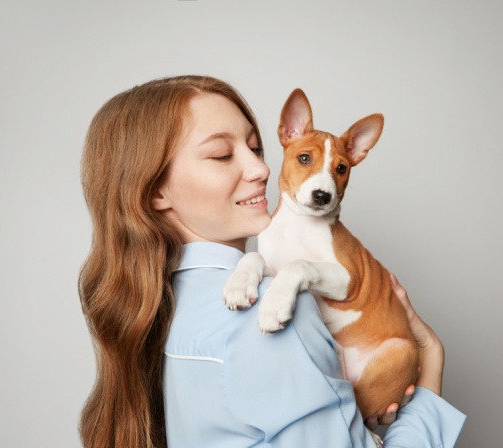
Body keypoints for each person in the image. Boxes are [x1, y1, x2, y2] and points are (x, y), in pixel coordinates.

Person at [79, 75, 465, 448]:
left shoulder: (165, 303)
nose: (263, 170)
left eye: (256, 149)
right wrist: (430, 364)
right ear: (156, 191)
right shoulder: (273, 310)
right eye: (222, 154)